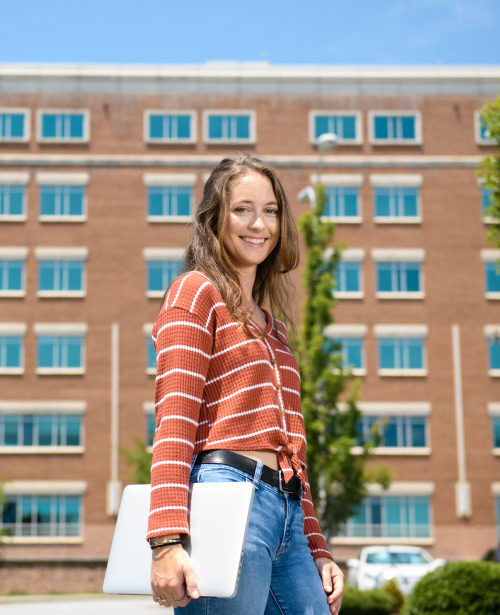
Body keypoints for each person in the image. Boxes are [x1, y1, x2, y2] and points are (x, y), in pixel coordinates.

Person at [147, 154, 344, 615]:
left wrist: (318, 547)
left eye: (271, 210)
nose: (260, 224)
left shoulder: (275, 331)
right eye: (243, 209)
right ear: (215, 218)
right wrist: (166, 540)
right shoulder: (195, 294)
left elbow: (293, 453)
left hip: (287, 515)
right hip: (224, 496)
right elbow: (174, 420)